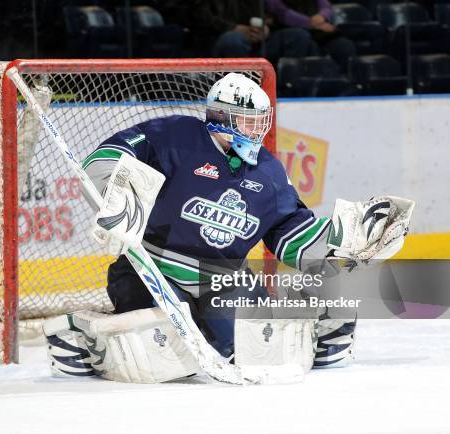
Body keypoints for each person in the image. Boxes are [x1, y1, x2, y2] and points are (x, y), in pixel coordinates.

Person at [42, 73, 414, 383]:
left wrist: (344, 243)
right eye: (247, 121)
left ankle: (320, 328)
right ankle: (78, 332)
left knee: (254, 351)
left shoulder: (267, 171)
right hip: (151, 268)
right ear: (221, 116)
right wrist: (116, 196)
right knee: (160, 357)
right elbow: (108, 155)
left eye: (260, 121)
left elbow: (291, 234)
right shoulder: (177, 135)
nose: (256, 130)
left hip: (223, 280)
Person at [166, 0, 315, 63]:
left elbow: (272, 15)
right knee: (234, 40)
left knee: (298, 36)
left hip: (255, 40)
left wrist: (266, 29)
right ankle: (237, 94)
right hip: (215, 41)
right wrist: (234, 28)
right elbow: (198, 17)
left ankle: (286, 91)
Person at [266, 0, 357, 71]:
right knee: (305, 41)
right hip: (288, 32)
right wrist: (310, 23)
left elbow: (326, 7)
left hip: (319, 32)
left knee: (344, 45)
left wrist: (322, 17)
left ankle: (343, 88)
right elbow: (281, 13)